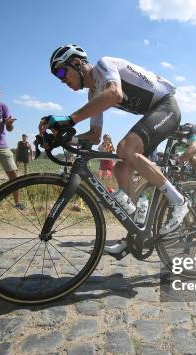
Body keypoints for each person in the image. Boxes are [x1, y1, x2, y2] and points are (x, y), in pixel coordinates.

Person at [41, 44, 186, 255]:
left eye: (62, 71)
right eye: (57, 76)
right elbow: (94, 136)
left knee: (125, 148)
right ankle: (136, 232)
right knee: (121, 170)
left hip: (166, 107)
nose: (62, 79)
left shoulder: (103, 65)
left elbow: (114, 93)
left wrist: (69, 120)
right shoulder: (93, 95)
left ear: (77, 63)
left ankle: (179, 201)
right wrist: (60, 137)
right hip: (152, 114)